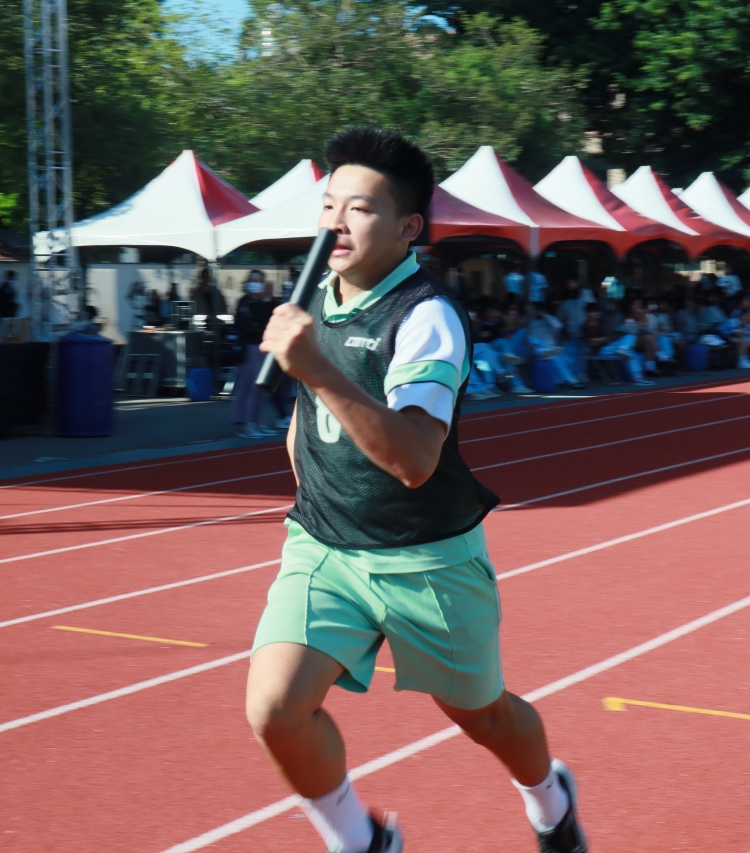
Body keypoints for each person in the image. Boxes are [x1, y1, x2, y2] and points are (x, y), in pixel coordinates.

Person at [249, 126, 587, 853]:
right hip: (325, 547)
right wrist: (318, 488)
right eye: (329, 205)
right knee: (274, 708)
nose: (337, 222)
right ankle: (360, 840)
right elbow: (306, 419)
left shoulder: (426, 316)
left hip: (425, 558)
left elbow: (414, 459)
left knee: (484, 717)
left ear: (407, 227)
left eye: (360, 208)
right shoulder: (315, 297)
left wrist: (316, 368)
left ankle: (549, 799)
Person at [230, 270, 278, 437]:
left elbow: (272, 318)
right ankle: (248, 423)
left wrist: (269, 299)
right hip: (250, 347)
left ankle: (258, 421)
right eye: (253, 280)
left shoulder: (266, 302)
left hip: (263, 346)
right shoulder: (245, 302)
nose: (256, 283)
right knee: (251, 386)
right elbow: (252, 321)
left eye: (259, 280)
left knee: (262, 387)